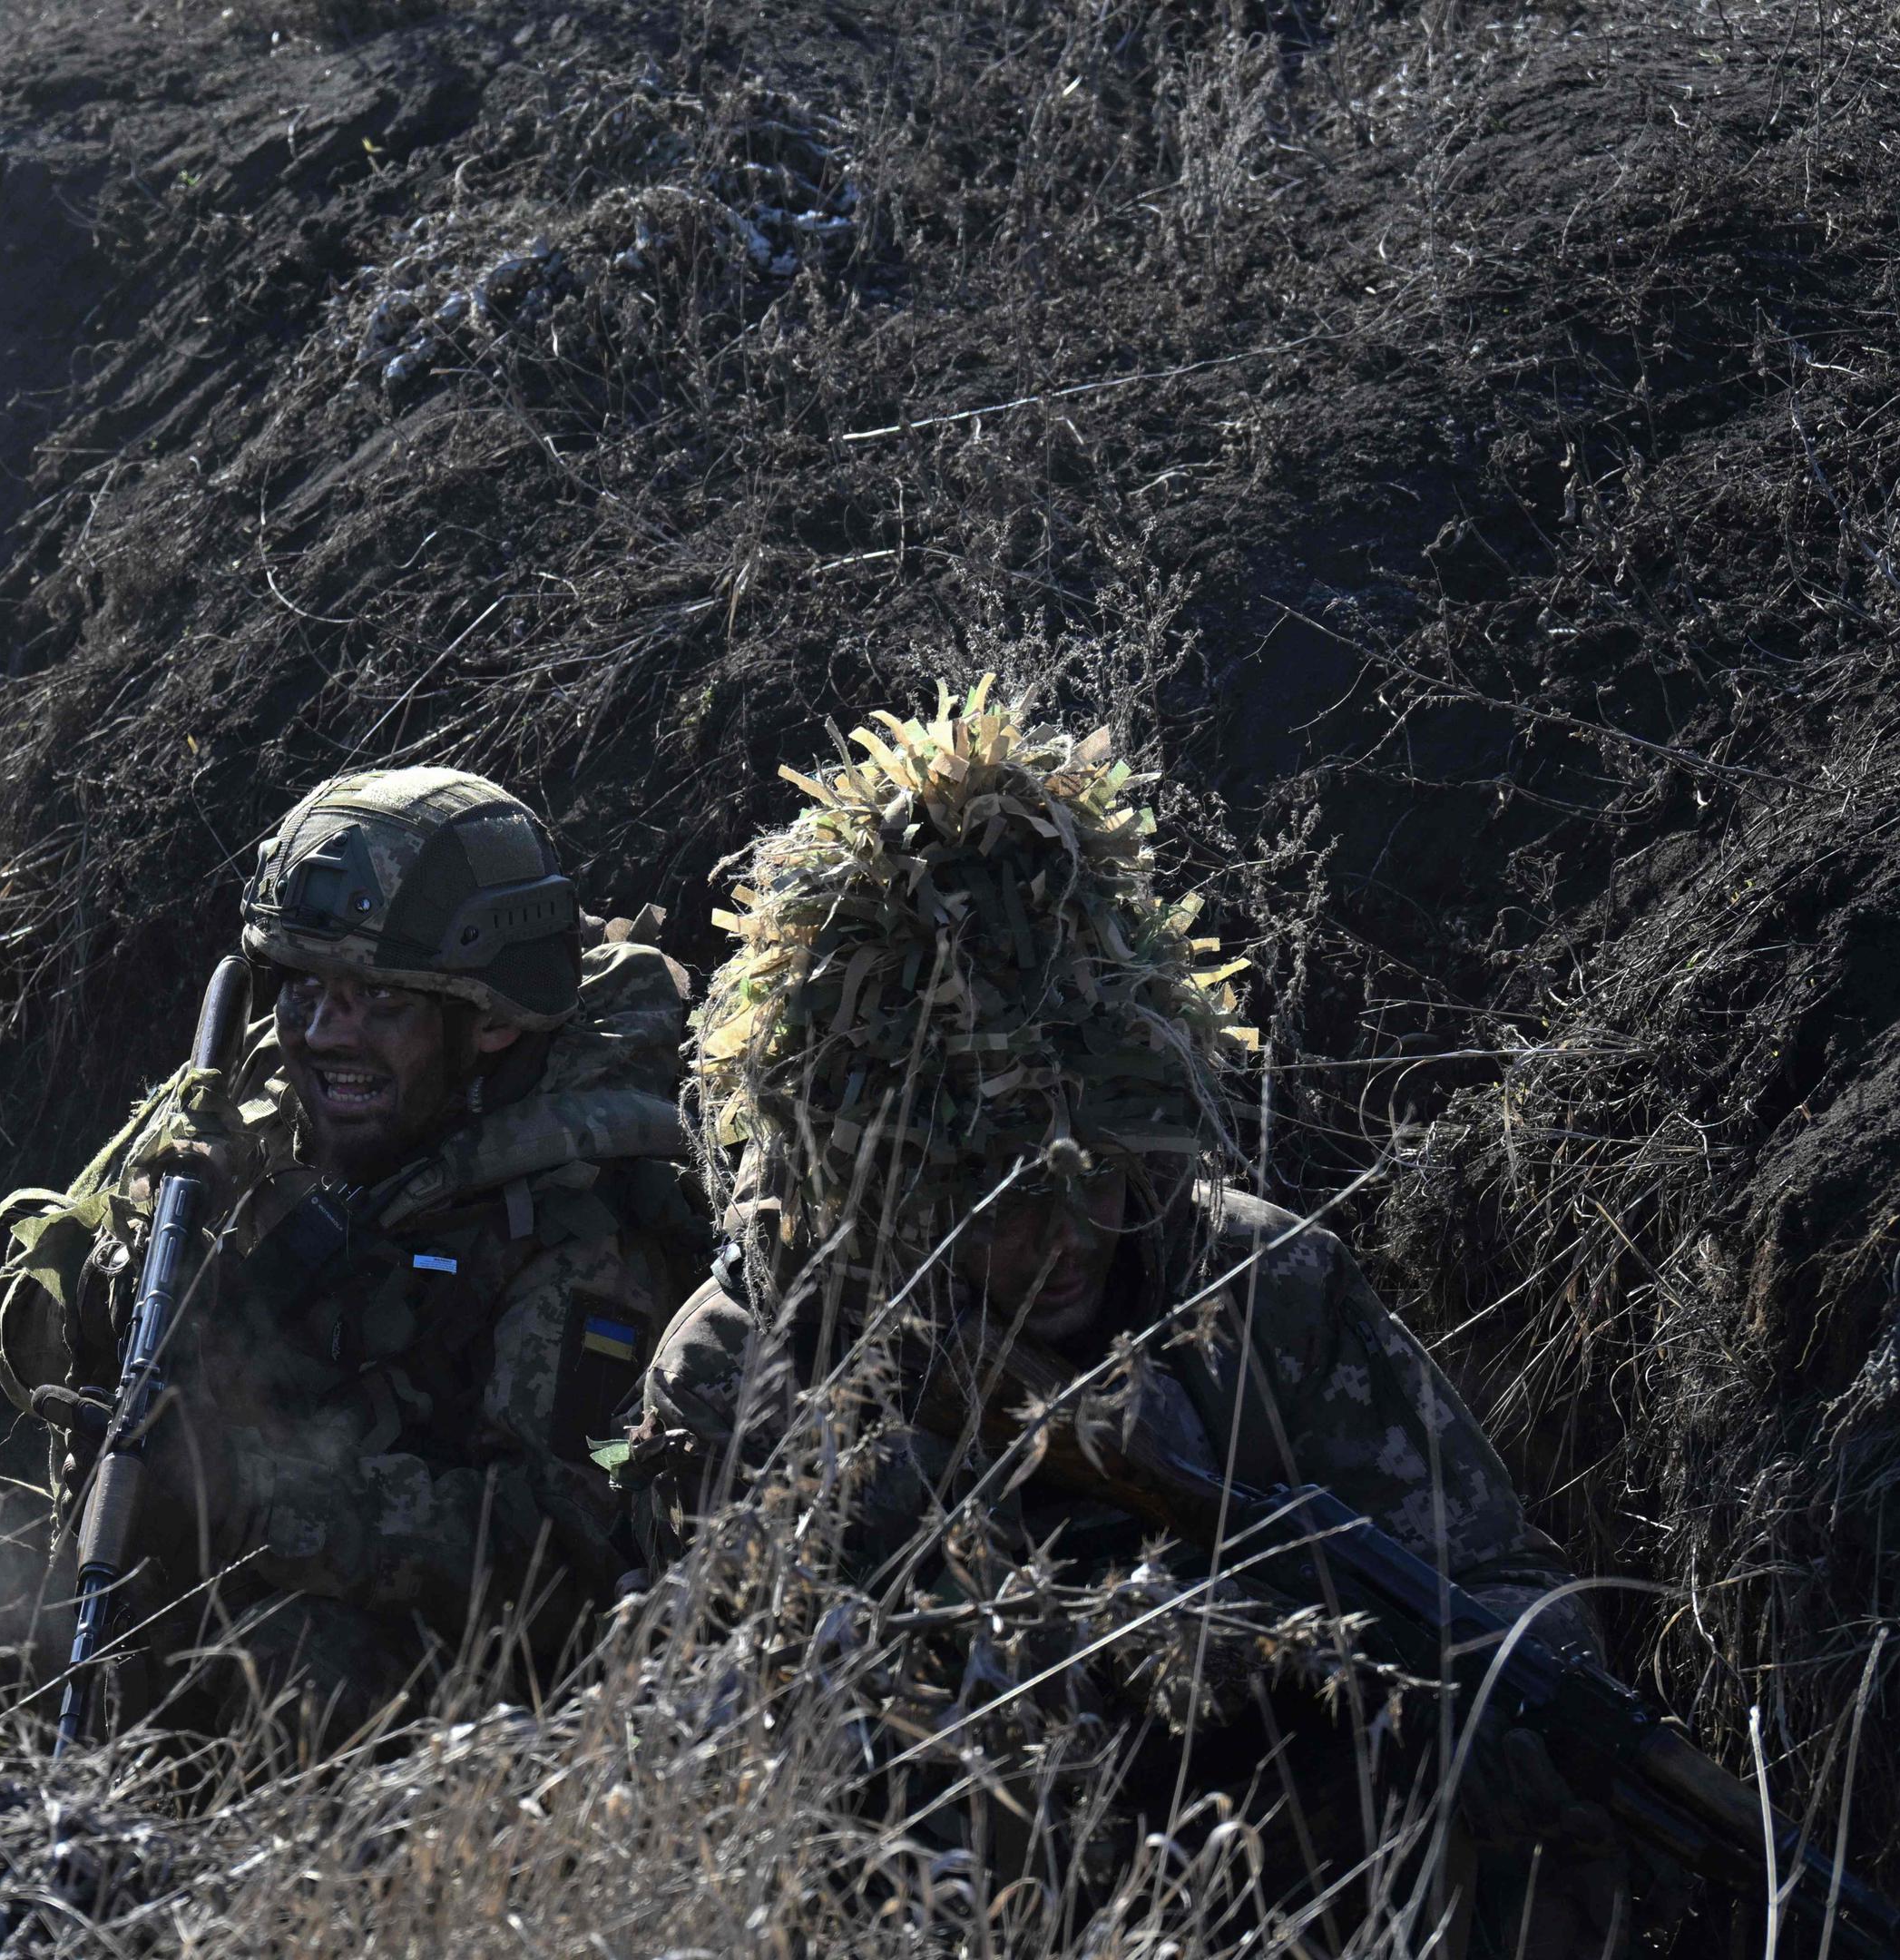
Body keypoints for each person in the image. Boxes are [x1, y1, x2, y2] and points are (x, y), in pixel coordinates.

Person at [632, 680, 1637, 1955]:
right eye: (996, 1202)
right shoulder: (747, 1368)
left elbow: (1498, 1573)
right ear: (881, 1188)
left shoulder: (1266, 1290)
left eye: (1091, 1170)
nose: (1061, 1238)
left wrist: (1490, 1697)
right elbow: (746, 1727)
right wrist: (1125, 1633)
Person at [0, 767, 709, 1742]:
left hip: (387, 1680)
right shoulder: (252, 1101)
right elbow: (37, 1341)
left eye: (380, 1000)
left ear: (492, 1021)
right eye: (305, 989)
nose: (327, 1034)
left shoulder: (583, 1228)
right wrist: (133, 1282)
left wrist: (247, 1500)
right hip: (164, 1595)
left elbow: (556, 1552)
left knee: (286, 1659)